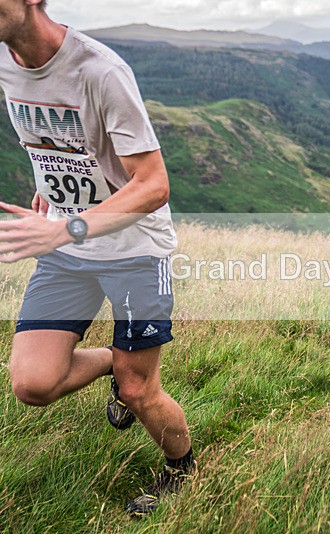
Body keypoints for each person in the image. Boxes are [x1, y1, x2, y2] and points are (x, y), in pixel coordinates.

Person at [0, 0, 193, 517]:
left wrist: (67, 225)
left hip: (133, 249)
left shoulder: (100, 71)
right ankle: (111, 359)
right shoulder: (4, 62)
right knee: (32, 384)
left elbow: (153, 186)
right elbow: (50, 145)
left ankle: (182, 468)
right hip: (66, 247)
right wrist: (49, 196)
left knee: (137, 389)